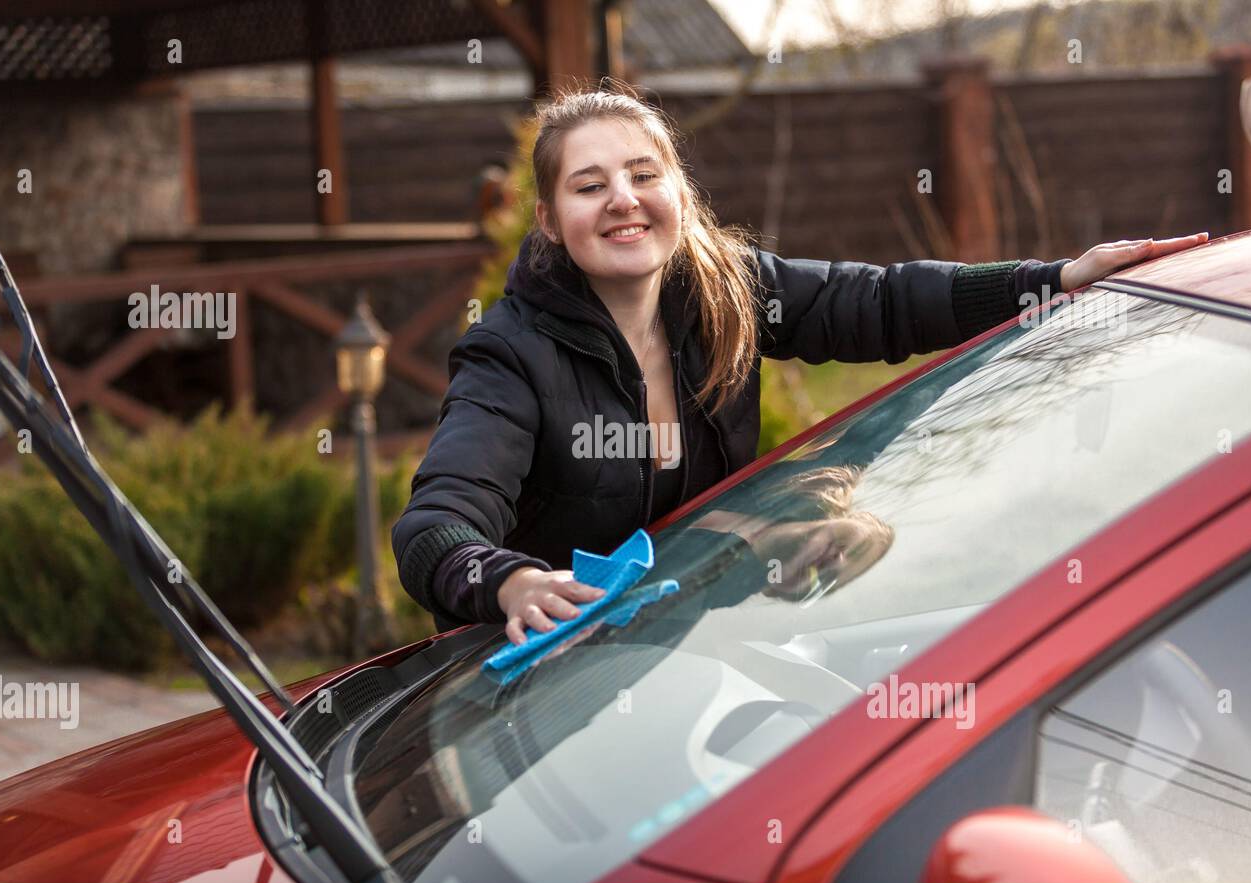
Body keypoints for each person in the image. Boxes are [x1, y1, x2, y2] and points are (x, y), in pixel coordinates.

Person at [391, 80, 1208, 646]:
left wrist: (1053, 280)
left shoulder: (727, 291)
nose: (623, 200)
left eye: (645, 174)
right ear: (548, 218)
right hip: (537, 697)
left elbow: (886, 303)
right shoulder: (510, 354)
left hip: (680, 646)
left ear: (677, 190)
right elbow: (436, 528)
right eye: (589, 185)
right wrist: (509, 584)